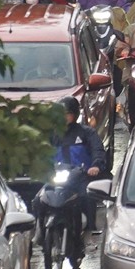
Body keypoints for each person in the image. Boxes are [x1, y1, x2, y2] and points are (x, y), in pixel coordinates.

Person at [35, 96, 108, 243]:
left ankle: (91, 229)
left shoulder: (87, 133)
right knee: (38, 199)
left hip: (79, 177)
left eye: (66, 114)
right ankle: (40, 232)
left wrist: (95, 165)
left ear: (75, 114)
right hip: (56, 176)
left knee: (87, 197)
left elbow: (98, 150)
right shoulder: (51, 135)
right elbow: (40, 152)